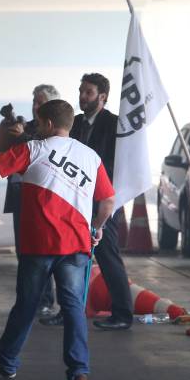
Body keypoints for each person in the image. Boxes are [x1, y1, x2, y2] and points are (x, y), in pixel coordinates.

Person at [0, 99, 116, 380]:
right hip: (76, 246)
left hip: (39, 245)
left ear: (46, 124)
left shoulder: (35, 149)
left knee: (27, 304)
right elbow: (108, 200)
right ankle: (79, 373)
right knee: (73, 308)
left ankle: (7, 360)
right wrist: (97, 227)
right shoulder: (91, 157)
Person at [0, 84, 62, 320]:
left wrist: (22, 136)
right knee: (24, 252)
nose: (36, 106)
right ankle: (28, 300)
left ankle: (44, 301)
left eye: (40, 102)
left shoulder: (53, 132)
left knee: (43, 252)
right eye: (34, 101)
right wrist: (6, 128)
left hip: (45, 198)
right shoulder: (28, 126)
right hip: (21, 194)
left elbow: (44, 153)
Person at [71, 73, 134, 331]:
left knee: (107, 255)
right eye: (81, 91)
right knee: (71, 257)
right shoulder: (74, 123)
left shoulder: (114, 124)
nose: (82, 96)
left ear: (102, 97)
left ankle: (122, 314)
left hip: (103, 199)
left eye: (88, 92)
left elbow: (118, 164)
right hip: (75, 199)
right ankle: (69, 312)